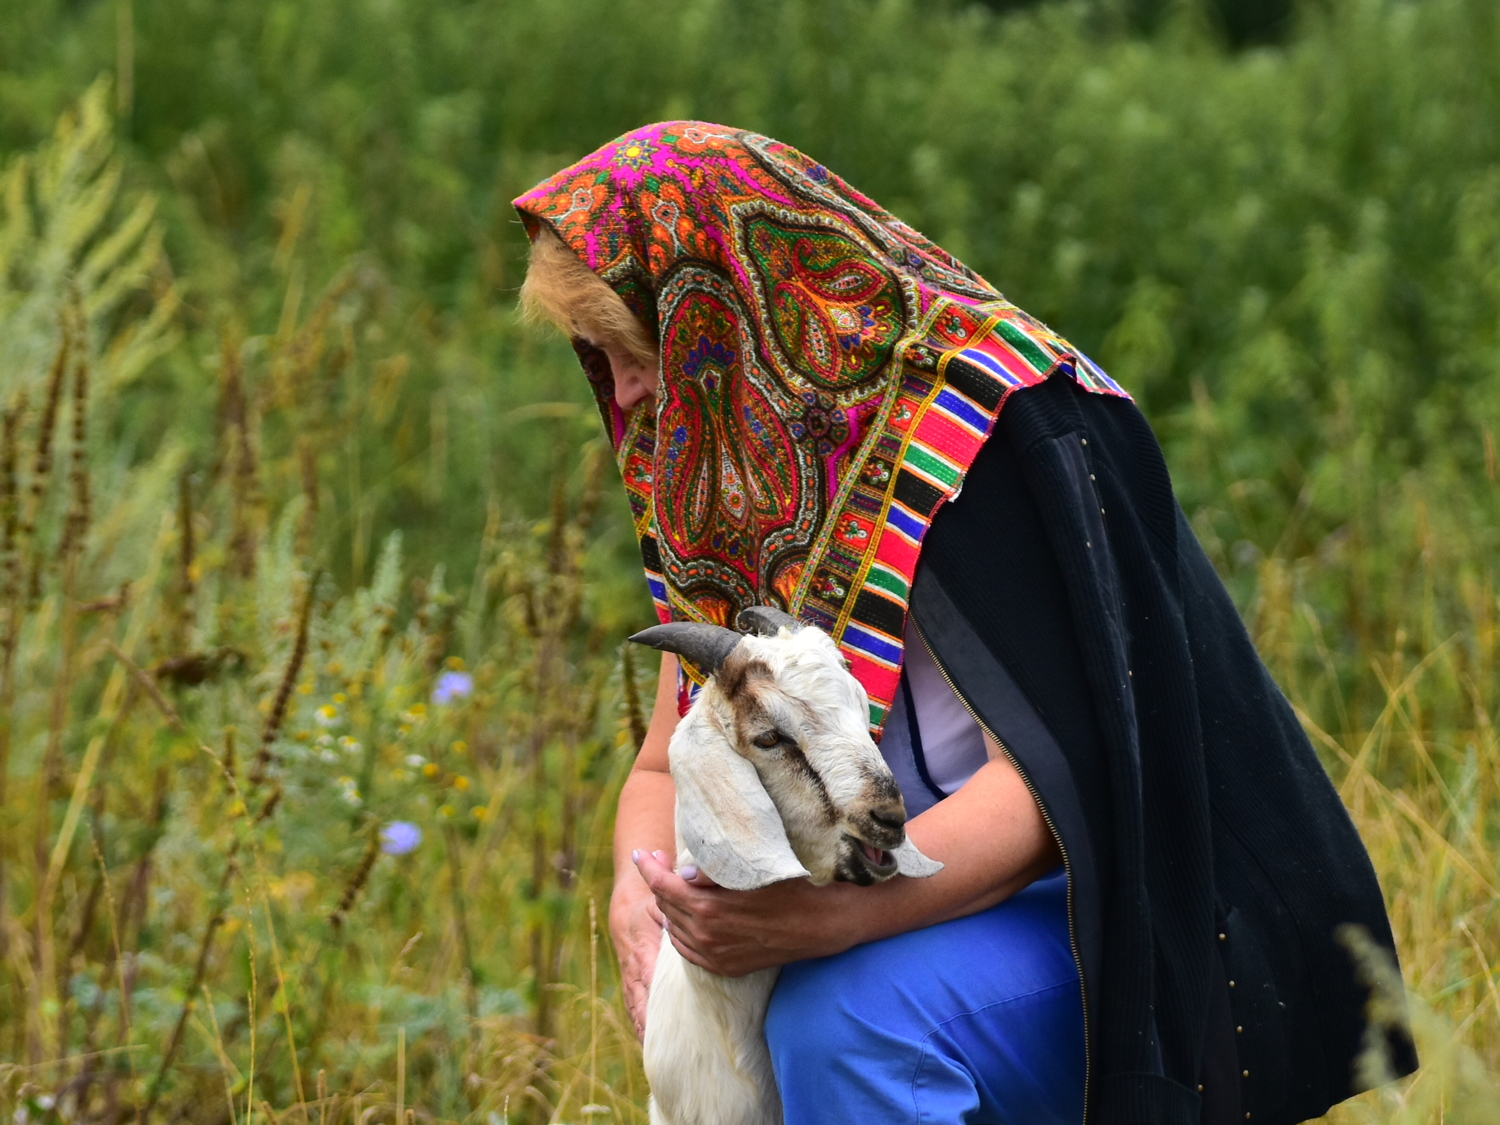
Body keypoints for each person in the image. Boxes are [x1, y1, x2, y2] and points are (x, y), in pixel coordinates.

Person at [514, 123, 1415, 1125]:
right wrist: (638, 896)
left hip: (1120, 920)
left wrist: (825, 922)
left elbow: (1047, 800)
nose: (628, 387)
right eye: (596, 356)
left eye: (634, 345)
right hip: (880, 923)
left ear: (725, 298)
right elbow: (657, 766)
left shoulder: (992, 425)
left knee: (847, 1023)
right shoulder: (743, 478)